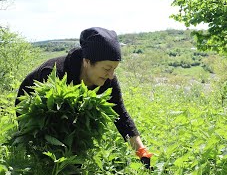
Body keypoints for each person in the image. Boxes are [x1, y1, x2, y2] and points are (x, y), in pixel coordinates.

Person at [15, 27, 153, 169]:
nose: (111, 75)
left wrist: (141, 151)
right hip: (34, 110)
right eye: (107, 68)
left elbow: (120, 115)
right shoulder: (55, 73)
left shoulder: (108, 80)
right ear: (87, 61)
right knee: (42, 157)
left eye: (114, 69)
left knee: (74, 159)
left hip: (70, 117)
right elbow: (51, 124)